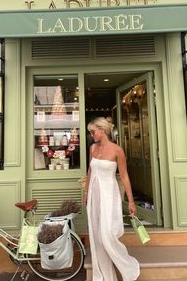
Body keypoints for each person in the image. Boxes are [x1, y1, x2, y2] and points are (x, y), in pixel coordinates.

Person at [84, 117, 140, 281]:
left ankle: (128, 267)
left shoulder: (117, 150)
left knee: (106, 234)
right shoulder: (92, 148)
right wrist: (86, 192)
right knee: (96, 234)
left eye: (93, 131)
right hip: (94, 194)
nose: (92, 134)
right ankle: (105, 276)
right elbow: (90, 172)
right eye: (90, 132)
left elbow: (124, 177)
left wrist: (130, 201)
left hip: (109, 194)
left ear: (103, 130)